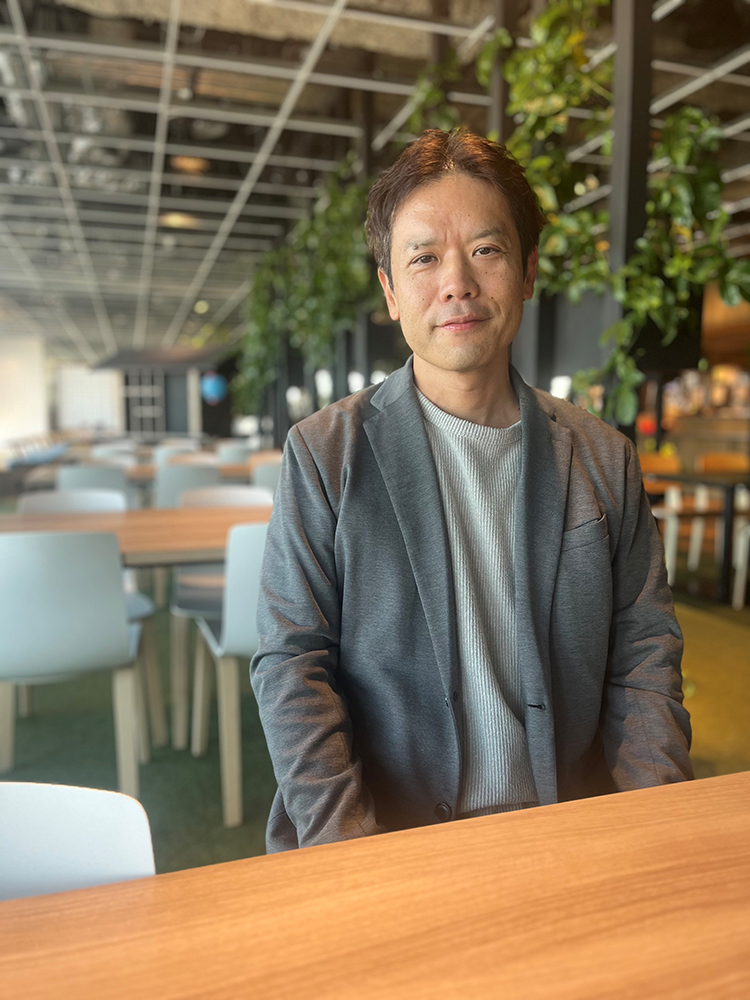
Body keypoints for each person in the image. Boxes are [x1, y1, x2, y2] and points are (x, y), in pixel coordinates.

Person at [250, 128, 692, 854]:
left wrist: (648, 827)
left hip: (568, 831)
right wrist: (349, 851)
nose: (456, 282)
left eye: (485, 250)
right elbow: (293, 667)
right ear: (391, 293)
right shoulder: (326, 454)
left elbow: (646, 656)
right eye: (423, 259)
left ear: (527, 271)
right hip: (383, 838)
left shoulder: (602, 455)